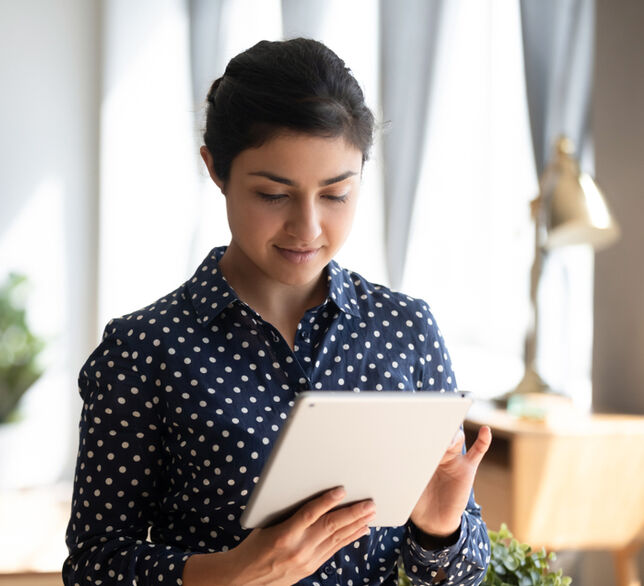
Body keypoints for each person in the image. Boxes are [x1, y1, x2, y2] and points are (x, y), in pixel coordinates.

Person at [63, 38, 493, 586]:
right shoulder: (144, 349)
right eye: (273, 194)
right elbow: (92, 565)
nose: (308, 228)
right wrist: (229, 573)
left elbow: (464, 573)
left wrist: (440, 527)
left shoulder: (406, 330)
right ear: (215, 170)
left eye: (336, 194)